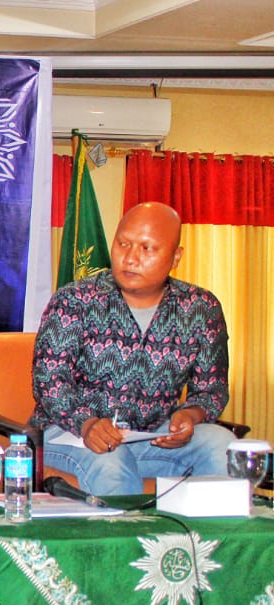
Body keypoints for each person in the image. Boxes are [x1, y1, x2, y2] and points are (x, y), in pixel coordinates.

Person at [31, 201, 234, 495]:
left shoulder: (200, 309)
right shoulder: (75, 300)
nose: (130, 258)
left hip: (150, 438)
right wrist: (87, 424)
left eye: (147, 248)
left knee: (223, 446)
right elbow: (49, 382)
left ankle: (210, 541)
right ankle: (119, 543)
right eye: (123, 244)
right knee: (112, 460)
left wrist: (190, 416)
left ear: (176, 256)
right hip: (70, 434)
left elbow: (212, 389)